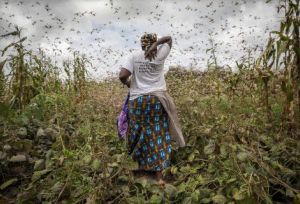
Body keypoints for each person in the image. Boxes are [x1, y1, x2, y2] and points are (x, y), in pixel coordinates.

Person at [119, 33, 185, 186]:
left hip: (138, 102)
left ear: (141, 44)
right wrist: (157, 45)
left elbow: (122, 75)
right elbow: (169, 38)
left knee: (137, 132)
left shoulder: (134, 56)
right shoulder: (160, 53)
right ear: (154, 43)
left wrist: (129, 83)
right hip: (157, 100)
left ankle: (140, 171)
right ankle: (159, 176)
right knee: (158, 133)